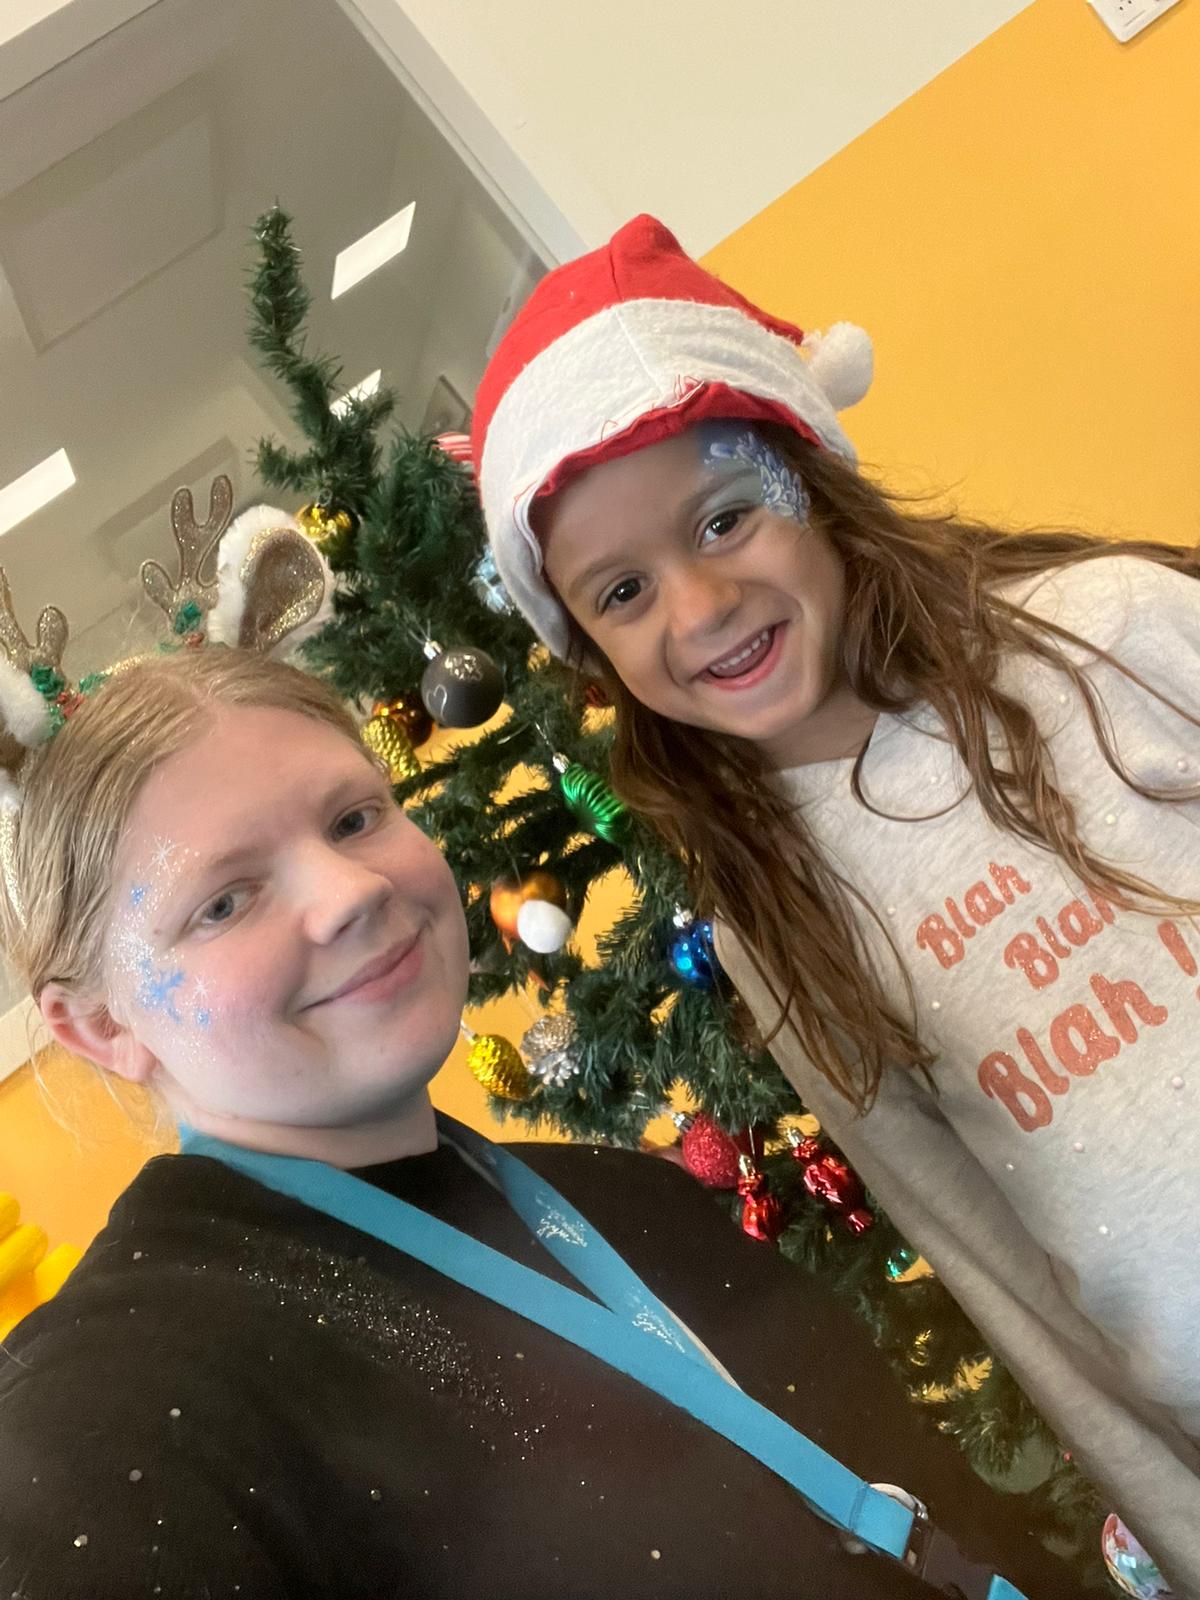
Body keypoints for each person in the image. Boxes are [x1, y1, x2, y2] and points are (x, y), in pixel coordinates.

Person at [0, 490, 1063, 1599]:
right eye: (224, 900)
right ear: (99, 1025)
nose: (351, 891)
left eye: (354, 818)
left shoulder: (631, 1196)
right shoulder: (108, 1420)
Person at [471, 213, 1200, 1595]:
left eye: (725, 517)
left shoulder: (1110, 630)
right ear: (591, 649)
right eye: (623, 590)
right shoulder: (779, 917)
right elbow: (992, 1262)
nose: (700, 605)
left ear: (809, 476)